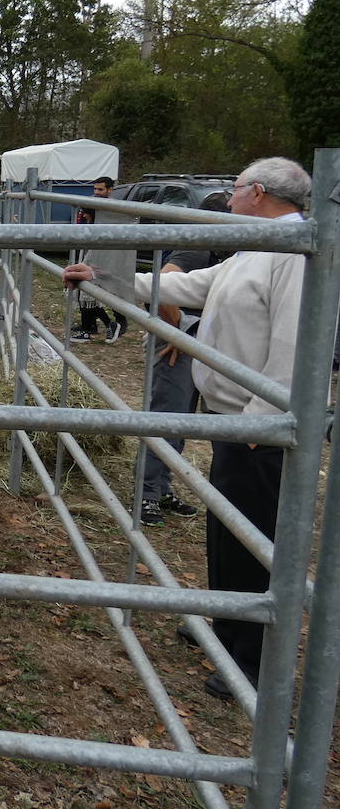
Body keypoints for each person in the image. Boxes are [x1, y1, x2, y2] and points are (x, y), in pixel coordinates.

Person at [62, 157, 309, 701]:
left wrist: (263, 421)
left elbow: (297, 346)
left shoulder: (295, 252)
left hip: (258, 424)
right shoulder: (258, 246)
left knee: (253, 538)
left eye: (237, 188)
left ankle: (251, 663)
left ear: (259, 193)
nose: (228, 198)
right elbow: (195, 286)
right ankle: (228, 625)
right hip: (234, 419)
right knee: (228, 529)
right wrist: (107, 278)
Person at [137, 190, 231, 527]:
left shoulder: (226, 250)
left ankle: (161, 488)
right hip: (181, 345)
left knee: (181, 422)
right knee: (167, 418)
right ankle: (145, 495)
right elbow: (165, 281)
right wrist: (177, 330)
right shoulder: (199, 245)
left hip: (200, 344)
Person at [70, 176, 129, 343]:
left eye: (101, 189)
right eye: (95, 189)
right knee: (87, 288)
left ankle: (114, 323)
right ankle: (97, 325)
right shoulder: (92, 205)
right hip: (90, 249)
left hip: (104, 252)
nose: (97, 193)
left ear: (110, 189)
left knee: (101, 287)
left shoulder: (112, 209)